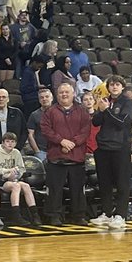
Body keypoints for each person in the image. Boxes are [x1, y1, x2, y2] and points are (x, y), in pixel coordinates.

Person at [39, 82, 91, 225]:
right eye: (61, 92)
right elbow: (46, 130)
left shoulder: (82, 111)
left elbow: (86, 130)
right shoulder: (49, 112)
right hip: (56, 157)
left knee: (78, 189)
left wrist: (72, 143)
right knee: (55, 189)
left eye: (67, 92)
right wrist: (61, 141)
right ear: (57, 95)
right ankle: (54, 215)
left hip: (77, 156)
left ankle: (79, 215)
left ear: (73, 93)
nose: (64, 94)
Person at [88, 75, 132, 230]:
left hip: (120, 147)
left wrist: (106, 110)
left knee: (122, 183)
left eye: (117, 84)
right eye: (111, 85)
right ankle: (106, 213)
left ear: (122, 87)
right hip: (103, 147)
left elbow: (122, 123)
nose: (114, 87)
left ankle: (120, 215)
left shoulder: (128, 102)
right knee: (104, 183)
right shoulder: (105, 101)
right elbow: (96, 121)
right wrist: (99, 109)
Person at [0, 133, 39, 224]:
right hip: (1, 181)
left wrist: (16, 174)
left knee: (26, 186)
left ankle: (35, 215)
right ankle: (16, 216)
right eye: (7, 141)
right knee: (16, 186)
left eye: (12, 142)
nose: (10, 144)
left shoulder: (16, 152)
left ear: (15, 143)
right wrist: (8, 173)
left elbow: (22, 169)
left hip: (14, 179)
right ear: (3, 143)